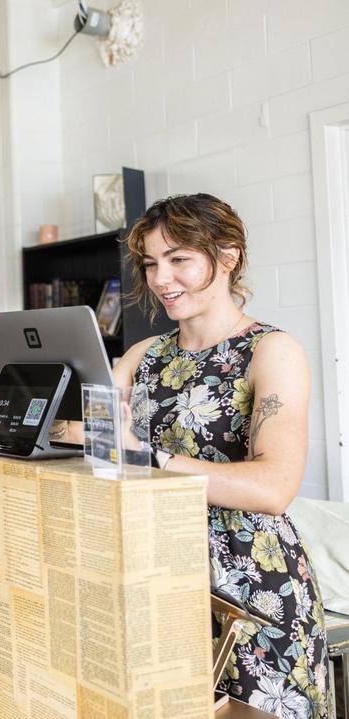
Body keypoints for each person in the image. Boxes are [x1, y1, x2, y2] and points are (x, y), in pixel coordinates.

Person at [88, 193, 328, 716]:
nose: (160, 279)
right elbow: (93, 443)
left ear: (227, 256)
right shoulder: (141, 356)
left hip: (250, 586)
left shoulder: (272, 350)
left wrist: (150, 458)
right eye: (151, 263)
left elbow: (273, 487)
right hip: (156, 573)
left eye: (179, 260)